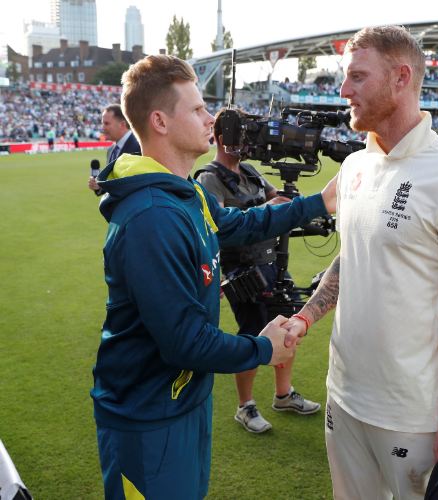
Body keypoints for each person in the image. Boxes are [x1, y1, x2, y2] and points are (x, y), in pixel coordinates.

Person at [90, 54, 337, 500]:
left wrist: (320, 202)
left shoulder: (185, 193)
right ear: (161, 121)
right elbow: (185, 341)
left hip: (181, 402)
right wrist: (265, 347)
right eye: (199, 109)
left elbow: (241, 225)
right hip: (148, 416)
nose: (211, 118)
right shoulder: (152, 217)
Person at [283, 26, 438, 499]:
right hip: (343, 393)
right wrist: (306, 316)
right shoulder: (358, 165)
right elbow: (356, 253)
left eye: (358, 77)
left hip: (411, 414)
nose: (344, 91)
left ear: (401, 78)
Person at [196, 110, 320, 434]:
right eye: (244, 136)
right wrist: (268, 208)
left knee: (288, 323)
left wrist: (290, 205)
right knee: (252, 333)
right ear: (223, 139)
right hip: (241, 269)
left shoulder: (250, 172)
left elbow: (275, 199)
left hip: (270, 261)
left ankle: (283, 394)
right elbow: (221, 224)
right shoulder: (208, 178)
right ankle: (245, 406)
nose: (249, 143)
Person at [87, 104, 141, 195]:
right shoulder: (111, 150)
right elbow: (112, 182)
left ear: (122, 124)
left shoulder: (139, 146)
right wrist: (99, 186)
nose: (102, 127)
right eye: (102, 123)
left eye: (107, 123)